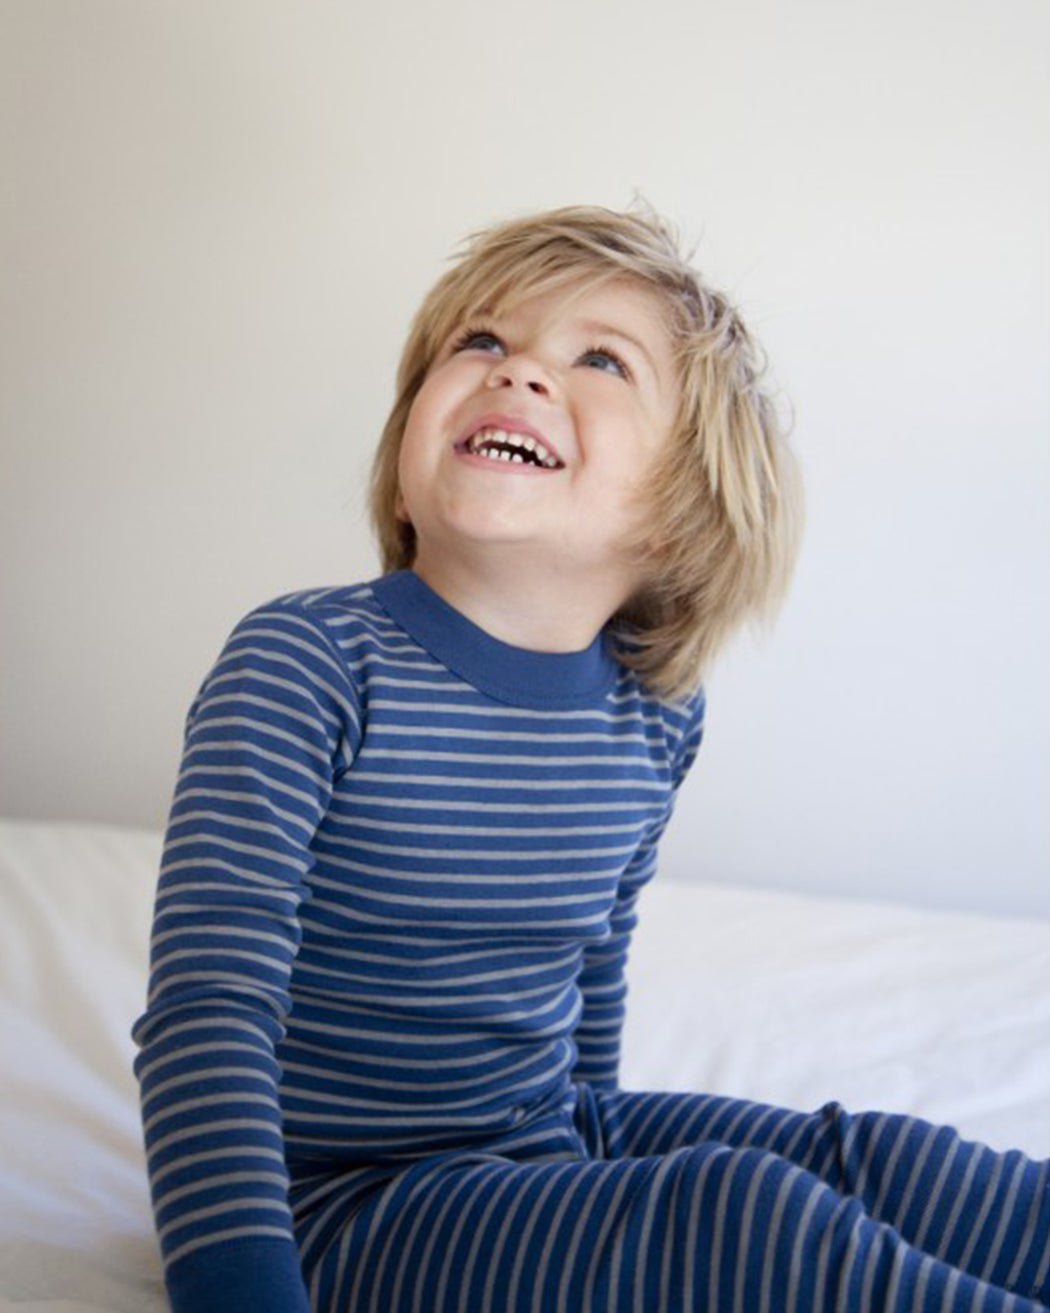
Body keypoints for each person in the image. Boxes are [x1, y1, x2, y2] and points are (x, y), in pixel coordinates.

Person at [131, 200, 1049, 1313]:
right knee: (739, 1214)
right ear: (407, 457)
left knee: (870, 1160)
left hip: (546, 1137)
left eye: (599, 359)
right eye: (480, 340)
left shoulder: (655, 715)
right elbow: (208, 1010)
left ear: (678, 516)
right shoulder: (307, 662)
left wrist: (594, 1212)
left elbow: (591, 966)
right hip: (336, 1206)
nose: (517, 371)